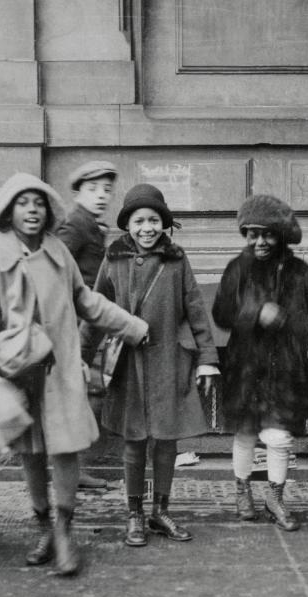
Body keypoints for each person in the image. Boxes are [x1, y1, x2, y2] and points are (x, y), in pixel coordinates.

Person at [0, 173, 148, 577]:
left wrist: (131, 326)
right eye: (23, 203)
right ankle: (43, 528)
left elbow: (86, 300)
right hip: (18, 367)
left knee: (65, 448)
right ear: (9, 211)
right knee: (30, 451)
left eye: (38, 203)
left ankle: (65, 531)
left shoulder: (58, 252)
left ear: (48, 210)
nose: (31, 210)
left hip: (60, 369)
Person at [83, 183, 219, 546]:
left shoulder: (176, 260)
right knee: (134, 442)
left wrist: (207, 359)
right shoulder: (113, 259)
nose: (147, 228)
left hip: (169, 362)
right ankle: (134, 514)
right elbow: (95, 309)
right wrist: (80, 357)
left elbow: (195, 310)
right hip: (128, 365)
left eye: (154, 220)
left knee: (166, 441)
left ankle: (161, 511)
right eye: (140, 220)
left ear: (164, 223)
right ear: (128, 225)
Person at [212, 194, 308, 532]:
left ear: (282, 236)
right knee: (244, 434)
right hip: (246, 367)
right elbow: (221, 313)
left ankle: (276, 497)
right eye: (252, 234)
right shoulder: (237, 269)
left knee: (279, 437)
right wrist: (256, 312)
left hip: (286, 368)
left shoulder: (300, 272)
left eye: (267, 234)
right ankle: (242, 491)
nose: (259, 242)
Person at [57, 160, 120, 490]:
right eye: (93, 189)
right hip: (76, 325)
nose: (101, 197)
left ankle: (73, 467)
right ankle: (67, 469)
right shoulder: (75, 225)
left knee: (89, 394)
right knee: (80, 395)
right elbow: (54, 270)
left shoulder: (93, 226)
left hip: (93, 324)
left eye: (107, 191)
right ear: (78, 192)